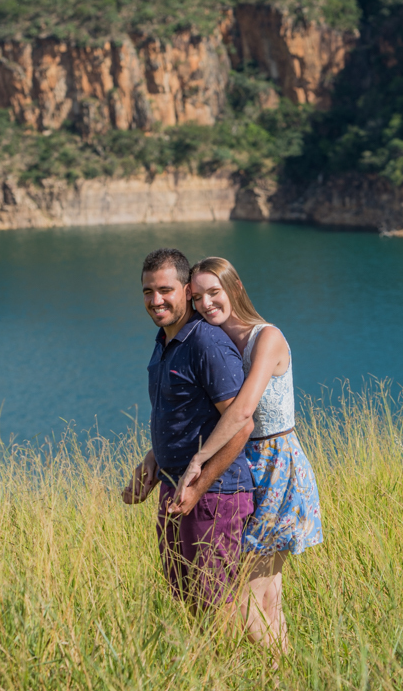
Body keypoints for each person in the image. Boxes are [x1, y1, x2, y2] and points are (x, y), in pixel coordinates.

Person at [170, 257, 324, 650]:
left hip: (276, 465)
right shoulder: (220, 341)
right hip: (243, 465)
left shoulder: (266, 337)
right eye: (198, 297)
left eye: (214, 293)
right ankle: (280, 673)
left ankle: (272, 671)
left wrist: (199, 458)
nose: (206, 304)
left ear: (235, 289)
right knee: (268, 592)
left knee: (246, 595)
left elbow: (241, 410)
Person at [121, 248, 256, 612]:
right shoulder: (165, 341)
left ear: (186, 290)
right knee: (188, 601)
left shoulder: (205, 342)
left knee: (215, 604)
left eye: (165, 290)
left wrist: (199, 486)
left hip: (216, 495)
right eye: (148, 291)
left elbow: (241, 424)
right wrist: (152, 460)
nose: (155, 300)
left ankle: (243, 669)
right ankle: (211, 669)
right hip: (174, 489)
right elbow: (183, 414)